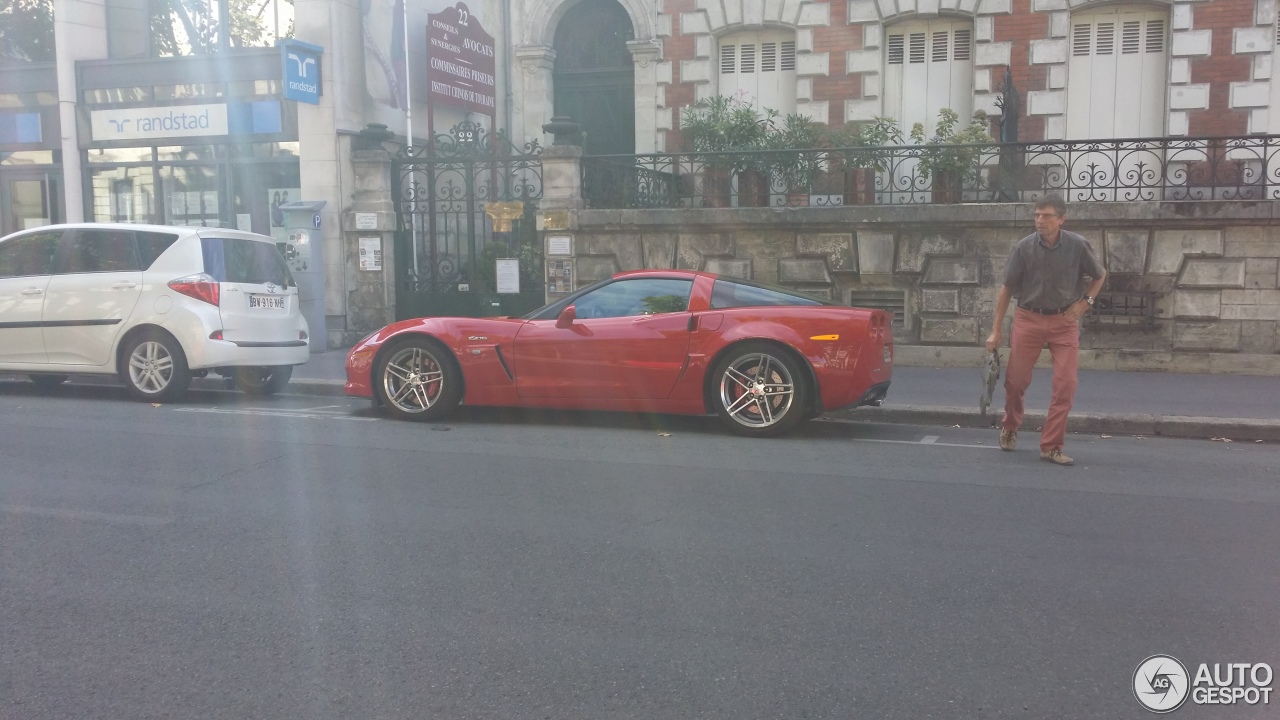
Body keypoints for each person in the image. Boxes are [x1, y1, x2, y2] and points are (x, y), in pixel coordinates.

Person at [985, 194, 1107, 466]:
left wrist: (1084, 304)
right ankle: (1010, 424)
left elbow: (1100, 275)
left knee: (1066, 385)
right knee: (1015, 382)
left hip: (1064, 322)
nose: (1040, 220)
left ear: (1061, 219)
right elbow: (1006, 290)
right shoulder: (1023, 248)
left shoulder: (1077, 245)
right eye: (1037, 215)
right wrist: (996, 330)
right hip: (1029, 318)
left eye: (1047, 215)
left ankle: (1051, 445)